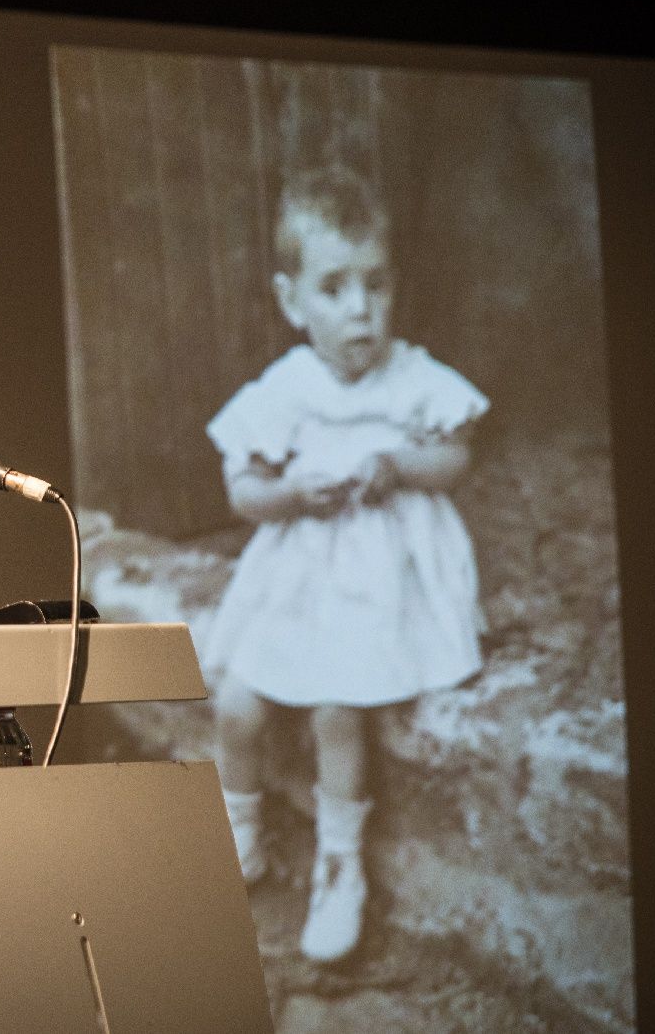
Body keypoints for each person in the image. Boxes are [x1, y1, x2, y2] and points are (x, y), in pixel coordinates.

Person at [204, 167, 487, 964]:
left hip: (380, 577)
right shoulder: (286, 388)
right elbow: (242, 490)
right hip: (298, 574)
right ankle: (241, 832)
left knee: (338, 704)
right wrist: (291, 488)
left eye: (376, 283)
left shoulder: (412, 377)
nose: (361, 307)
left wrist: (399, 463)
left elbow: (456, 457)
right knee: (235, 703)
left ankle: (340, 864)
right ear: (294, 301)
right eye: (335, 287)